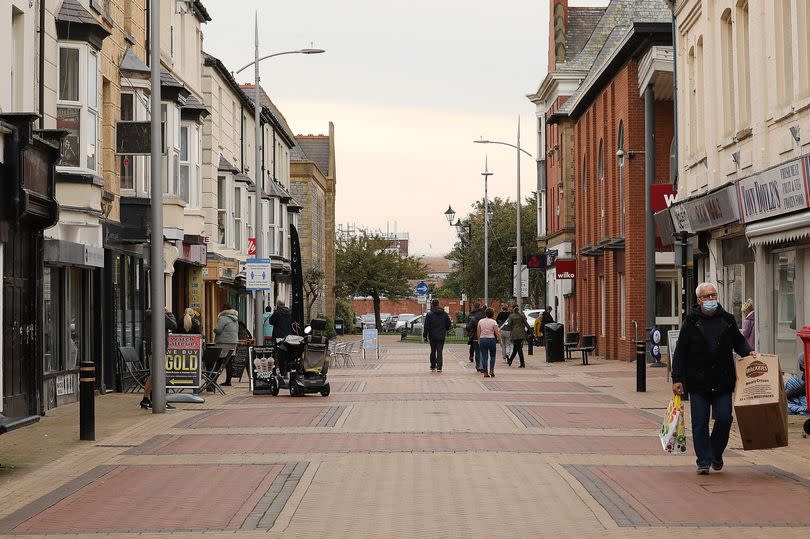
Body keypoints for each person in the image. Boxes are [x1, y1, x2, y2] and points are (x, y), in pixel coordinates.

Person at [672, 282, 755, 475]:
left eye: (713, 295)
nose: (711, 299)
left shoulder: (727, 319)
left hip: (722, 381)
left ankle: (716, 452)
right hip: (698, 382)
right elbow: (680, 353)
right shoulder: (690, 322)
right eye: (707, 296)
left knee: (724, 419)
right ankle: (703, 460)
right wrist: (678, 378)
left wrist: (749, 353)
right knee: (700, 423)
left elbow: (738, 342)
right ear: (699, 300)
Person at [140, 307, 178, 410]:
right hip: (158, 348)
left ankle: (146, 399)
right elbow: (173, 325)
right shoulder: (159, 315)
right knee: (158, 374)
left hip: (153, 348)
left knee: (153, 375)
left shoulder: (149, 314)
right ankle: (159, 400)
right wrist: (170, 314)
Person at [213, 303, 239, 387]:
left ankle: (213, 380)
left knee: (219, 361)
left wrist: (214, 330)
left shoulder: (223, 318)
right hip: (233, 341)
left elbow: (218, 329)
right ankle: (228, 381)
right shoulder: (235, 319)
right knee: (229, 362)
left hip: (223, 342)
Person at [423, 299, 452, 372]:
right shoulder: (444, 313)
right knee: (439, 351)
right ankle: (439, 367)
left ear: (432, 304)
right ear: (438, 304)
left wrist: (425, 336)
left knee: (433, 350)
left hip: (432, 335)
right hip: (441, 335)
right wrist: (445, 329)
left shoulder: (429, 314)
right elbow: (448, 323)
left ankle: (433, 365)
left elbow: (426, 326)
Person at [268, 298, 294, 375]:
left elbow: (271, 321)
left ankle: (281, 371)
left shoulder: (277, 313)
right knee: (287, 353)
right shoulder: (290, 313)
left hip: (278, 337)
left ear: (278, 305)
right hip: (288, 337)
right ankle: (287, 369)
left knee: (279, 355)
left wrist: (275, 311)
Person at [477, 307, 501, 378]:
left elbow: (478, 331)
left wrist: (479, 340)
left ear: (485, 314)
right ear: (493, 314)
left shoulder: (480, 321)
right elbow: (497, 332)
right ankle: (491, 370)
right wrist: (500, 340)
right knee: (492, 356)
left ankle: (485, 372)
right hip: (491, 340)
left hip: (483, 339)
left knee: (484, 356)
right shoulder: (494, 322)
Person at [465, 302, 485, 370]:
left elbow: (468, 326)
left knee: (476, 351)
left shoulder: (472, 316)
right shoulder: (484, 315)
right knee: (483, 351)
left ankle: (478, 365)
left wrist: (468, 330)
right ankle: (483, 366)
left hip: (475, 335)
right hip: (484, 336)